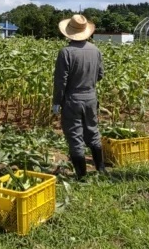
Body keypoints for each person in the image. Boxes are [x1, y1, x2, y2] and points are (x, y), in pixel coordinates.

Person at [52, 14, 105, 179]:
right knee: (93, 132)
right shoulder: (95, 50)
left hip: (73, 99)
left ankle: (81, 176)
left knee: (75, 135)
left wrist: (56, 102)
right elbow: (100, 75)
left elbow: (61, 81)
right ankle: (101, 169)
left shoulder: (66, 52)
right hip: (91, 97)